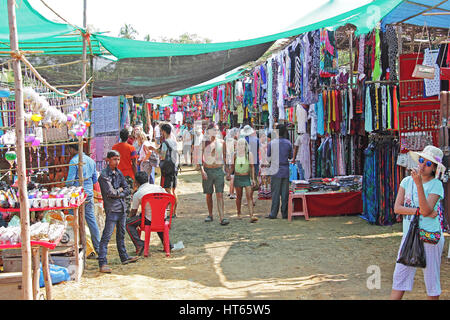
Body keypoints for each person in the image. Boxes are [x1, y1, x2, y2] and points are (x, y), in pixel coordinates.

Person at [390, 145, 446, 300]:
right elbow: (397, 208)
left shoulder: (436, 185)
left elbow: (427, 209)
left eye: (428, 163)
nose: (422, 165)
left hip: (429, 237)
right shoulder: (406, 181)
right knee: (399, 277)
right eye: (421, 160)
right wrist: (418, 211)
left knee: (431, 280)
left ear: (434, 168)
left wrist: (419, 185)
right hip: (409, 236)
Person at [97, 150, 139, 273]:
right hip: (112, 208)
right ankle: (102, 262)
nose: (117, 162)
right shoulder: (104, 175)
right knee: (107, 236)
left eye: (118, 159)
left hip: (121, 207)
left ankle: (124, 257)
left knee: (121, 234)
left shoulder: (118, 172)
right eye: (114, 159)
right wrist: (120, 191)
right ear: (108, 160)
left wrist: (119, 191)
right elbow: (111, 192)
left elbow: (126, 188)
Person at [66, 142, 101, 259]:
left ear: (72, 149)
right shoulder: (90, 160)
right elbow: (95, 179)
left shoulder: (74, 161)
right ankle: (98, 248)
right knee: (91, 221)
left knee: (73, 221)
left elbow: (70, 181)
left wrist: (64, 186)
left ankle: (75, 247)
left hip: (77, 195)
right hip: (89, 193)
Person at [125, 171, 172, 256]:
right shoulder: (159, 188)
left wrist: (131, 217)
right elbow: (169, 200)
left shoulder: (138, 193)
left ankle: (140, 244)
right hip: (162, 218)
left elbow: (133, 212)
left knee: (128, 224)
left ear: (136, 182)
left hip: (148, 220)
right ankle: (168, 245)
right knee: (157, 218)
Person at [201, 122, 229, 225]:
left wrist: (228, 170)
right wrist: (202, 171)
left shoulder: (222, 142)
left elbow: (225, 157)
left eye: (217, 130)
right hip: (208, 170)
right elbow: (199, 158)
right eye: (214, 130)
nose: (216, 132)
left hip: (218, 170)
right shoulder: (204, 143)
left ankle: (222, 217)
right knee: (209, 194)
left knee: (220, 194)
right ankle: (210, 214)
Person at [265, 124, 293, 219]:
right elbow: (290, 156)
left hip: (275, 170)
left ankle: (273, 213)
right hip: (285, 170)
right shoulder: (288, 143)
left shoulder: (271, 143)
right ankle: (285, 213)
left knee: (275, 193)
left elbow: (268, 157)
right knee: (285, 193)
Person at [228, 138, 258, 222]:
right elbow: (232, 167)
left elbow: (252, 167)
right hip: (238, 177)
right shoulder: (235, 155)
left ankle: (251, 215)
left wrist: (253, 179)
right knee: (239, 196)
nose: (241, 146)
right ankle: (239, 213)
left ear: (245, 145)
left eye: (243, 144)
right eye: (239, 144)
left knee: (249, 196)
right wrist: (229, 174)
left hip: (246, 177)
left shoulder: (249, 154)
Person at [112, 128, 138, 216]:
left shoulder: (114, 148)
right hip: (128, 175)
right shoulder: (131, 148)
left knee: (117, 195)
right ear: (128, 137)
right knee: (127, 197)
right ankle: (126, 216)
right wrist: (136, 176)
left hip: (117, 175)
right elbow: (134, 164)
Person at [156, 123, 178, 217]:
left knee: (167, 190)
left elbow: (162, 156)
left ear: (164, 132)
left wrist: (157, 152)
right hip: (174, 168)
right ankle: (173, 212)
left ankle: (171, 211)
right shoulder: (174, 142)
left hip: (167, 170)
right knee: (173, 190)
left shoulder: (165, 143)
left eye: (161, 131)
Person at [241, 124, 259, 206]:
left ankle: (249, 199)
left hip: (246, 162)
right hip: (255, 162)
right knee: (253, 180)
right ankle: (251, 198)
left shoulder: (243, 140)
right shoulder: (256, 140)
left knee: (247, 181)